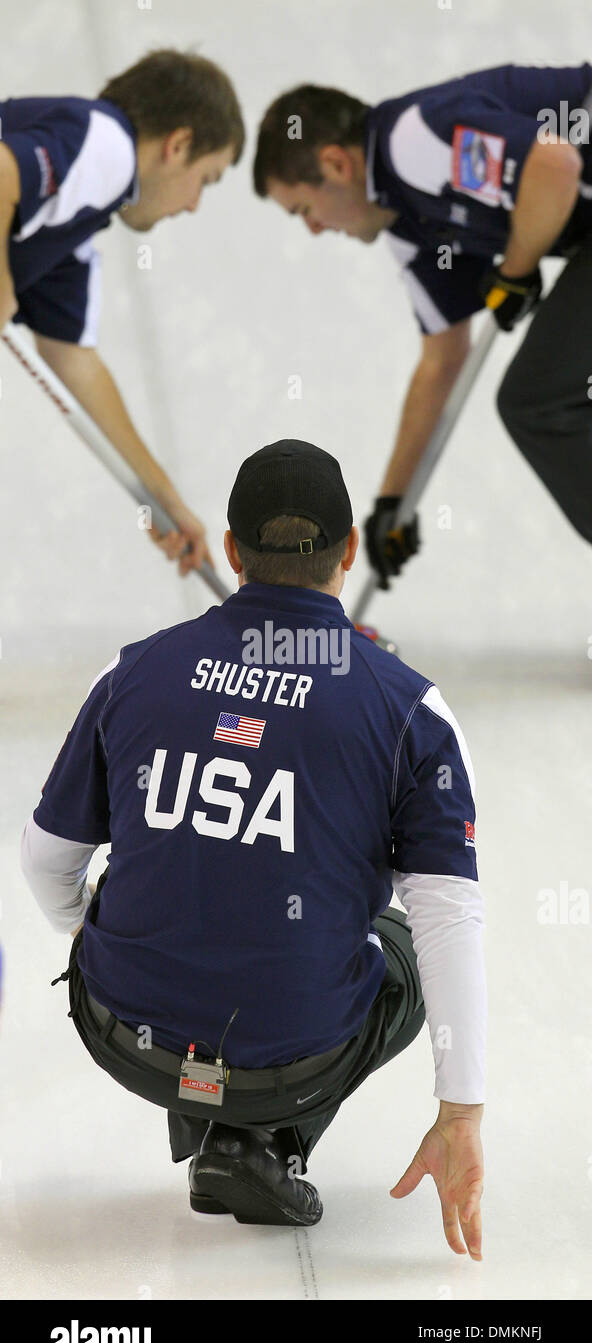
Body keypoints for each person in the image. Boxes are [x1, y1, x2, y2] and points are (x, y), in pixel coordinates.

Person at [21, 439, 486, 1253]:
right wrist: (462, 1111)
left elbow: (44, 861)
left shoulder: (134, 671)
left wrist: (101, 931)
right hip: (294, 1061)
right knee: (402, 942)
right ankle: (270, 1137)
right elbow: (449, 917)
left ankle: (215, 1116)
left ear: (232, 551)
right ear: (348, 553)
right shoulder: (410, 711)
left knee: (182, 886)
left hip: (120, 1033)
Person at [253, 64, 592, 587]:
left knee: (538, 401)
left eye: (305, 209)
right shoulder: (409, 227)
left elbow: (554, 163)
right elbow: (441, 361)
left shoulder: (411, 141)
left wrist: (516, 271)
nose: (314, 229)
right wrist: (394, 501)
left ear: (336, 163)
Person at [0, 48, 245, 573]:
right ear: (177, 145)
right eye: (207, 178)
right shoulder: (106, 142)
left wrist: (161, 498)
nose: (193, 205)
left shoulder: (77, 231)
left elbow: (76, 364)